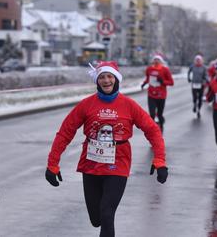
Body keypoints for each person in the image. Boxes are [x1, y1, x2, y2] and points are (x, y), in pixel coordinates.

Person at [45, 61, 168, 237]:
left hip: (118, 164)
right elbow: (65, 132)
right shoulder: (86, 105)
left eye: (110, 76)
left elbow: (153, 130)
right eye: (102, 77)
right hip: (91, 165)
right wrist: (52, 164)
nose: (106, 80)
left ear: (116, 79)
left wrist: (160, 160)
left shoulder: (129, 105)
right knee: (96, 219)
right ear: (97, 81)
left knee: (107, 213)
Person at [141, 55, 174, 132]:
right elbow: (148, 79)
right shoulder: (149, 69)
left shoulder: (165, 70)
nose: (156, 61)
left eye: (158, 60)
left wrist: (163, 81)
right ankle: (152, 129)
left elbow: (171, 82)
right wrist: (144, 83)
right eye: (155, 60)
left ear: (161, 61)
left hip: (161, 95)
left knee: (159, 114)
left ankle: (161, 124)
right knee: (152, 114)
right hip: (151, 94)